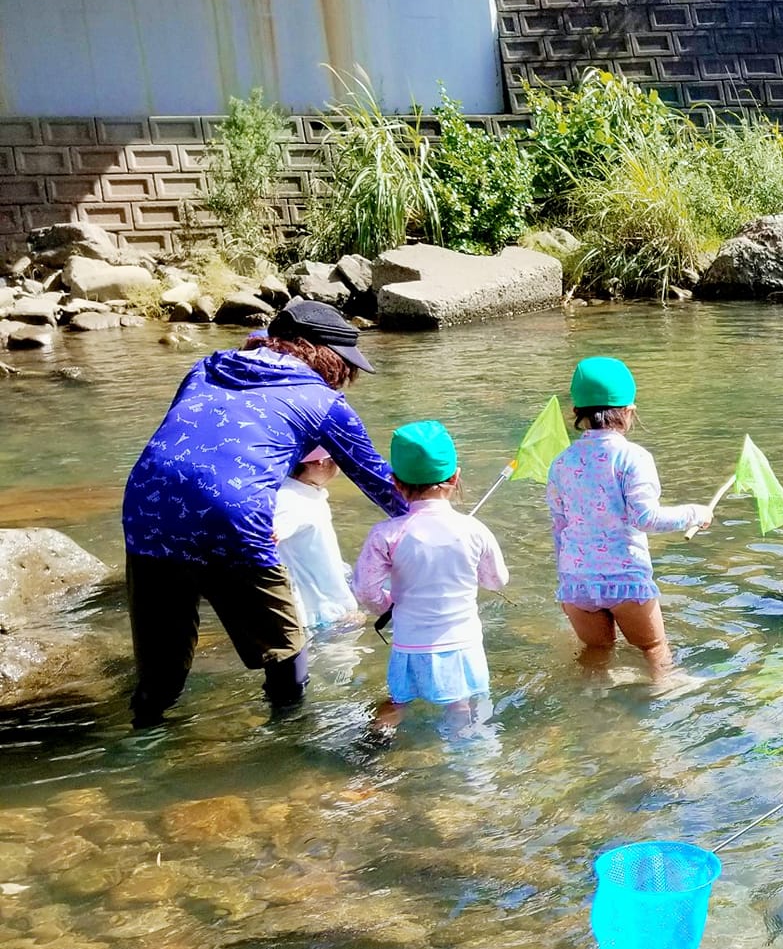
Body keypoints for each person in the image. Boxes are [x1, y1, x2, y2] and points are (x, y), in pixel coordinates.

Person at [122, 300, 404, 724]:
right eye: (345, 366)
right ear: (324, 354)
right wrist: (433, 519)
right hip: (230, 514)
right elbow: (378, 481)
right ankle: (286, 738)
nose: (345, 378)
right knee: (286, 648)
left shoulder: (205, 367)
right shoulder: (323, 400)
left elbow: (198, 437)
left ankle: (144, 735)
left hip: (146, 507)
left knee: (162, 660)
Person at [547, 356, 711, 687]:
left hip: (577, 582)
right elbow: (646, 518)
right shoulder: (633, 457)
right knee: (653, 648)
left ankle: (592, 704)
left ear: (575, 412)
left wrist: (567, 581)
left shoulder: (561, 462)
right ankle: (666, 689)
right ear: (629, 411)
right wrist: (696, 513)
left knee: (596, 653)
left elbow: (560, 526)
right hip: (625, 579)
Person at [351, 421, 508, 735]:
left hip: (409, 644)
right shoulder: (474, 530)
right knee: (461, 706)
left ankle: (371, 752)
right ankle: (471, 770)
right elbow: (496, 580)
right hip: (462, 644)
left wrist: (390, 604)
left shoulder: (387, 534)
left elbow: (365, 590)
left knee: (397, 702)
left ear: (395, 483)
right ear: (455, 477)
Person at [272, 447, 359, 630]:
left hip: (327, 609)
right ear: (320, 462)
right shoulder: (291, 500)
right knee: (341, 658)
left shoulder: (305, 493)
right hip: (318, 615)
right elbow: (271, 534)